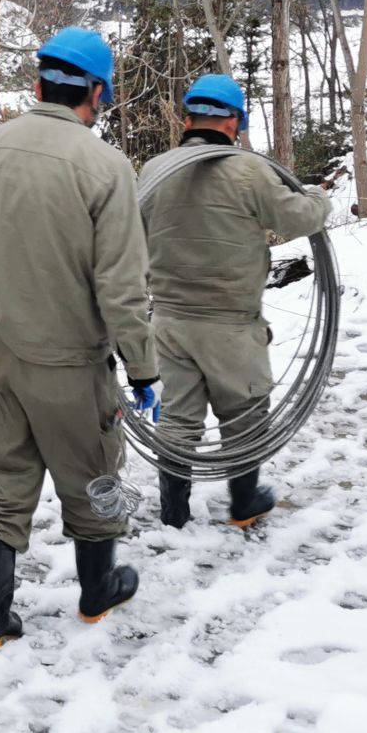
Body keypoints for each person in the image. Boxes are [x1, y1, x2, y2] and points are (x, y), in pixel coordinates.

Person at [0, 27, 159, 650]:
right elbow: (121, 286)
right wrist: (143, 368)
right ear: (97, 93)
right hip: (70, 366)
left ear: (38, 85)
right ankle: (97, 591)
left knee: (3, 482)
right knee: (94, 478)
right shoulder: (106, 167)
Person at [138, 75, 330, 530]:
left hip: (169, 320)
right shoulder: (249, 170)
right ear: (235, 123)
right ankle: (244, 505)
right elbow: (299, 217)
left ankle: (174, 512)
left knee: (178, 417)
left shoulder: (154, 171)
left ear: (187, 120)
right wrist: (319, 196)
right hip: (231, 322)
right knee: (245, 414)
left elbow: (133, 233)